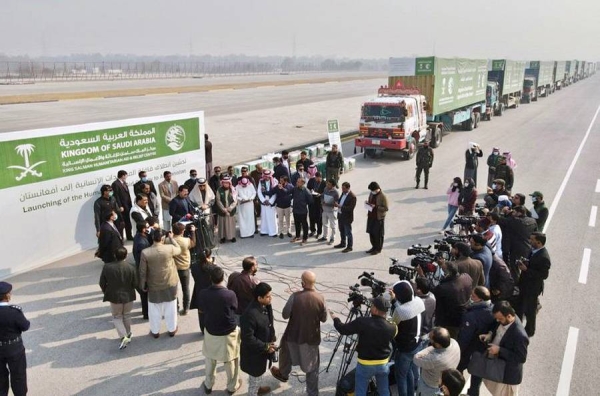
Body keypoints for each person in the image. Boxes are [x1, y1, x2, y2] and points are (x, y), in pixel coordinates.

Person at [271, 271, 327, 396]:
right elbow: (324, 318)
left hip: (293, 336)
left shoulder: (295, 296)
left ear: (303, 282)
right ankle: (312, 393)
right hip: (311, 338)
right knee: (312, 367)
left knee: (285, 350)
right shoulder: (320, 298)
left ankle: (283, 373)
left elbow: (285, 315)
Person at [330, 296, 397, 396]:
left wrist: (335, 318)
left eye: (372, 305)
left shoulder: (362, 322)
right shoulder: (393, 327)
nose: (370, 307)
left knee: (360, 391)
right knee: (384, 391)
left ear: (375, 309)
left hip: (365, 364)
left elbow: (343, 329)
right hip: (383, 364)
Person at [197, 266, 242, 395]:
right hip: (228, 332)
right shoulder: (230, 294)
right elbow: (235, 309)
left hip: (211, 331)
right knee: (230, 360)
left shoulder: (203, 293)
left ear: (210, 278)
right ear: (223, 278)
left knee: (210, 360)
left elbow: (201, 310)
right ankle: (232, 386)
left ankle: (208, 384)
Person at [139, 229, 182, 338]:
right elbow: (179, 249)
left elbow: (142, 271)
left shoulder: (145, 252)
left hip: (153, 284)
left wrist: (142, 284)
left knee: (154, 309)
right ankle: (172, 329)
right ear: (163, 239)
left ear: (153, 238)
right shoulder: (170, 248)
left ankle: (155, 331)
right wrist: (172, 239)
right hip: (170, 282)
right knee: (171, 307)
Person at [480, 301, 529, 395]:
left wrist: (499, 350)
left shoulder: (520, 336)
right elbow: (497, 327)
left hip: (506, 376)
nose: (498, 321)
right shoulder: (504, 320)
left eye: (500, 319)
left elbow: (521, 358)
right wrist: (490, 334)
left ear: (509, 316)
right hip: (497, 368)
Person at [240, 282, 276, 396]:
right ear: (259, 298)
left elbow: (270, 322)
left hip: (262, 350)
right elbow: (247, 338)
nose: (271, 298)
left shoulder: (266, 305)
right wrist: (266, 347)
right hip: (254, 355)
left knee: (258, 376)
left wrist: (271, 339)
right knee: (254, 382)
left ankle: (259, 388)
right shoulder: (249, 315)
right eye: (268, 297)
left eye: (270, 295)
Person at [457, 286, 495, 396]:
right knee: (477, 377)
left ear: (480, 299)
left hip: (468, 349)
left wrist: (459, 351)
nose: (471, 297)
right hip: (483, 349)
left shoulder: (472, 316)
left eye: (473, 296)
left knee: (458, 371)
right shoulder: (492, 309)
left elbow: (465, 337)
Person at [390, 280, 425, 396]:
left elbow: (393, 324)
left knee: (400, 376)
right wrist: (395, 301)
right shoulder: (418, 301)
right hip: (417, 344)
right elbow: (407, 309)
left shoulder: (400, 311)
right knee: (409, 371)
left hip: (404, 349)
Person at [99, 247, 137, 350]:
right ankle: (128, 333)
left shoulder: (107, 267)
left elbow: (102, 283)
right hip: (128, 295)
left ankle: (123, 336)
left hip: (114, 296)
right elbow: (135, 283)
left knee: (117, 317)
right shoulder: (131, 267)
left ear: (115, 255)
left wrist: (106, 291)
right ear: (126, 255)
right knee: (127, 315)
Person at [515, 232, 551, 337]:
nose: (530, 241)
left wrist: (527, 270)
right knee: (519, 306)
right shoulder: (534, 250)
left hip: (532, 288)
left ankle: (530, 330)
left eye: (532, 240)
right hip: (524, 284)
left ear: (539, 242)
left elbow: (544, 275)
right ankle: (517, 327)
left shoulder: (544, 257)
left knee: (530, 311)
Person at [0, 281, 30, 396]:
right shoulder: (14, 312)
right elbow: (25, 326)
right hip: (14, 348)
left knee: (0, 378)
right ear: (7, 296)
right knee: (18, 376)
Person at [413, 327, 461, 395]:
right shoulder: (455, 343)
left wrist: (429, 349)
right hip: (441, 383)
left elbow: (416, 358)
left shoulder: (434, 359)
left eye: (431, 339)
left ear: (437, 344)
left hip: (428, 386)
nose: (429, 340)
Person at [433, 261, 473, 339]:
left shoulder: (444, 288)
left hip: (449, 321)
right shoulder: (466, 277)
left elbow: (434, 293)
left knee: (447, 338)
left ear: (448, 274)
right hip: (463, 314)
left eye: (443, 270)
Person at [498, 206, 538, 278]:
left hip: (516, 249)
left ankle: (516, 285)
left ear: (519, 213)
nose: (512, 213)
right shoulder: (532, 221)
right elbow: (535, 233)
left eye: (514, 212)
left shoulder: (514, 221)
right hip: (528, 248)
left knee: (514, 269)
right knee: (525, 267)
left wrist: (503, 212)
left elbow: (500, 220)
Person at [190, 249, 216, 334]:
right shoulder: (212, 268)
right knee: (212, 311)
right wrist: (212, 263)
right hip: (211, 292)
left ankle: (203, 329)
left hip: (199, 291)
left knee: (201, 313)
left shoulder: (194, 267)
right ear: (208, 257)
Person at [172, 222, 196, 316]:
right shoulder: (185, 241)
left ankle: (175, 307)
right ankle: (186, 308)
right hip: (184, 267)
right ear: (182, 231)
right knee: (185, 288)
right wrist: (193, 232)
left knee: (174, 289)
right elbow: (193, 243)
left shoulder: (168, 240)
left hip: (173, 267)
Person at [227, 256, 260, 321]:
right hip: (248, 313)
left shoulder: (233, 276)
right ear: (252, 268)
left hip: (235, 312)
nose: (257, 266)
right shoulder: (255, 282)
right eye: (256, 264)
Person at [133, 222, 151, 320]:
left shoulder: (138, 236)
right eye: (147, 227)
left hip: (140, 266)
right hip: (143, 269)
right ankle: (146, 313)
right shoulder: (141, 243)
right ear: (143, 229)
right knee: (144, 292)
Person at [365, 181, 388, 255]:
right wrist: (367, 204)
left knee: (378, 234)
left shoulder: (382, 196)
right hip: (371, 216)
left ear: (377, 189)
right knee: (371, 233)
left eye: (373, 190)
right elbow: (370, 201)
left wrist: (377, 207)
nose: (372, 192)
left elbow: (386, 208)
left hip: (378, 218)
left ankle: (378, 249)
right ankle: (373, 247)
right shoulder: (371, 194)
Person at [334, 181, 357, 253]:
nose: (342, 190)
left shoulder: (352, 197)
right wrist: (337, 203)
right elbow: (341, 201)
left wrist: (340, 206)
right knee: (342, 231)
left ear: (348, 188)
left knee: (348, 232)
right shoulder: (343, 194)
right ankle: (343, 243)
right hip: (340, 215)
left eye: (344, 189)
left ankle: (349, 246)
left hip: (347, 217)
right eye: (342, 188)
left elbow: (350, 208)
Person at [111, 170, 134, 240]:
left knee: (128, 222)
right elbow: (116, 196)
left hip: (128, 205)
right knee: (122, 223)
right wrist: (120, 206)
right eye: (126, 175)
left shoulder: (124, 183)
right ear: (123, 175)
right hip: (122, 207)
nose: (126, 177)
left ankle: (129, 236)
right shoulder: (115, 184)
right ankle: (121, 238)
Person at [290, 177, 313, 245]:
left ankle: (305, 238)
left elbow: (310, 201)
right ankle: (297, 236)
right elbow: (289, 193)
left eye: (298, 182)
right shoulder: (295, 189)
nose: (297, 183)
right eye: (297, 181)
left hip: (302, 211)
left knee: (304, 225)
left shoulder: (306, 191)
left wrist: (304, 203)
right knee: (297, 224)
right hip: (295, 210)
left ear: (303, 183)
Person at [216, 176, 238, 243]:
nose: (226, 184)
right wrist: (224, 209)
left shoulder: (233, 190)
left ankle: (232, 237)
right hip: (222, 211)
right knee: (222, 225)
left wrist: (229, 209)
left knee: (231, 225)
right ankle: (222, 238)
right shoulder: (219, 190)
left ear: (229, 183)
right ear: (222, 183)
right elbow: (218, 200)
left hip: (230, 211)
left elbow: (235, 201)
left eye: (227, 183)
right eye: (224, 183)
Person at [257, 170, 278, 237]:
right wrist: (263, 200)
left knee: (272, 217)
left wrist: (270, 201)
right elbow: (259, 192)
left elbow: (275, 192)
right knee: (264, 216)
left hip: (271, 202)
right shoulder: (261, 181)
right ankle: (264, 231)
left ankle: (273, 232)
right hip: (264, 202)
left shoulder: (274, 181)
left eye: (268, 176)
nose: (266, 177)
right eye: (265, 176)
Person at [318, 179, 339, 245]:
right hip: (324, 210)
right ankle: (325, 236)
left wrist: (329, 203)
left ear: (333, 185)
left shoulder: (336, 192)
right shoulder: (325, 189)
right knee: (324, 224)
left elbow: (337, 203)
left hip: (331, 211)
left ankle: (332, 238)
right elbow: (322, 196)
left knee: (333, 226)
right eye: (327, 184)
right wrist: (322, 201)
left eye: (329, 184)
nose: (327, 185)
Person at [307, 171, 326, 238]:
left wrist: (320, 195)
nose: (317, 179)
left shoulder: (324, 183)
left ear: (321, 177)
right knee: (311, 217)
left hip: (319, 203)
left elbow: (326, 192)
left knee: (319, 218)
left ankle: (319, 232)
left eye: (318, 178)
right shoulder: (311, 180)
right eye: (316, 178)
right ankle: (312, 230)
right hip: (312, 202)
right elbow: (308, 188)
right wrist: (311, 191)